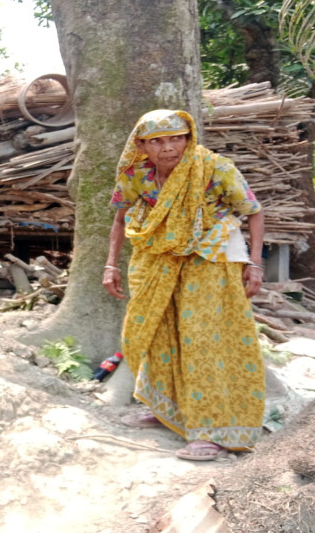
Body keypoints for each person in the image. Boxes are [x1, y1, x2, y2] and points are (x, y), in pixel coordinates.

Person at [103, 109, 266, 461]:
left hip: (211, 259)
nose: (168, 148)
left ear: (188, 139)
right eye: (157, 141)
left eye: (176, 138)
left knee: (202, 341)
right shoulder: (137, 175)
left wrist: (254, 263)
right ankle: (166, 409)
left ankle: (211, 431)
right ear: (141, 146)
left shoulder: (214, 168)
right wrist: (110, 264)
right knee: (158, 332)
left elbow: (253, 211)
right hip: (158, 259)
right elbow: (120, 218)